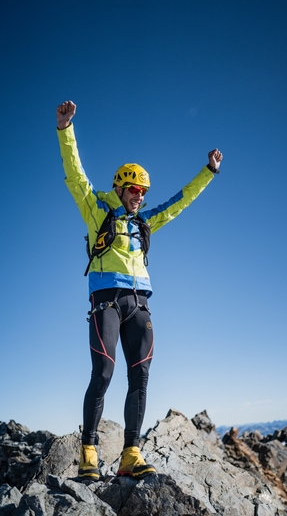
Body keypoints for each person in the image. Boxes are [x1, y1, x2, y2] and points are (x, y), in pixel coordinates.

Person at [56, 100, 223, 481]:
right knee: (102, 372)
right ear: (119, 186)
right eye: (134, 188)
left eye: (144, 190)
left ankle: (131, 454)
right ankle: (89, 454)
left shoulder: (144, 222)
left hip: (141, 303)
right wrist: (66, 130)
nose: (140, 195)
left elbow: (177, 203)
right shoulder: (98, 209)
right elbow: (76, 174)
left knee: (141, 376)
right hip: (107, 301)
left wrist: (208, 173)